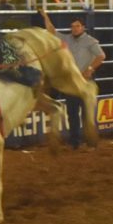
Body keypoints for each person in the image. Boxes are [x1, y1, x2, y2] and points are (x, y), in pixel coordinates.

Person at [41, 10, 105, 149]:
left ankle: (90, 142)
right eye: (72, 26)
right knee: (72, 113)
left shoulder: (90, 41)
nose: (74, 29)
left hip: (85, 82)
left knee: (87, 114)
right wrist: (46, 17)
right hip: (71, 82)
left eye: (77, 26)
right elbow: (52, 31)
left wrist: (89, 69)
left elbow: (101, 56)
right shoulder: (67, 39)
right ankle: (75, 142)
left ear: (83, 27)